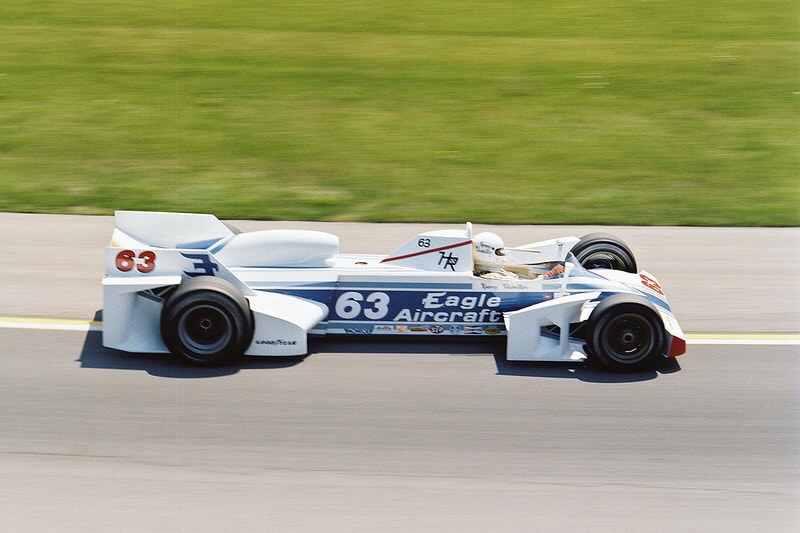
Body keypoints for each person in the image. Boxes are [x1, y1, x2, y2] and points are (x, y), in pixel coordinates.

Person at [472, 232, 565, 280]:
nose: (503, 255)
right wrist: (547, 276)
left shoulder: (493, 270)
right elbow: (521, 285)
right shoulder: (493, 276)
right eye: (499, 252)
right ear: (487, 253)